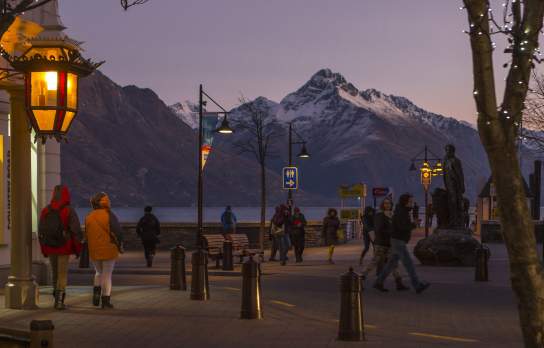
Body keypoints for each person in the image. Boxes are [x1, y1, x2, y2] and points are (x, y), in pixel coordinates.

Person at [374, 193, 430, 294]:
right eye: (410, 201)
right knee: (409, 264)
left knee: (391, 264)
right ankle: (417, 285)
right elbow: (402, 227)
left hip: (398, 240)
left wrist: (415, 210)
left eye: (412, 201)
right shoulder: (401, 212)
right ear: (405, 202)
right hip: (398, 241)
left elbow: (405, 223)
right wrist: (414, 224)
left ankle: (379, 282)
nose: (412, 203)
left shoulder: (402, 211)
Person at [38, 185, 83, 310]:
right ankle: (59, 301)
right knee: (62, 274)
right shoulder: (68, 210)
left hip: (50, 247)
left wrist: (43, 248)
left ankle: (55, 297)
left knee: (55, 272)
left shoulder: (45, 210)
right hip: (64, 247)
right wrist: (77, 249)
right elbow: (76, 231)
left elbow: (41, 231)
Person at [85, 192, 124, 309]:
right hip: (108, 248)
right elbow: (118, 232)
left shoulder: (89, 216)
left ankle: (95, 298)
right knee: (107, 275)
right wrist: (120, 244)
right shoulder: (109, 215)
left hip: (94, 249)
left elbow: (87, 233)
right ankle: (105, 301)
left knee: (98, 272)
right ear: (106, 201)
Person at [361, 198, 408, 291]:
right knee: (374, 263)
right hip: (381, 244)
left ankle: (398, 283)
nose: (387, 205)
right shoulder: (379, 215)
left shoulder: (392, 215)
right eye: (385, 203)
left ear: (391, 204)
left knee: (393, 264)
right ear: (382, 205)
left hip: (390, 244)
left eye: (389, 203)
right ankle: (360, 279)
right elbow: (378, 229)